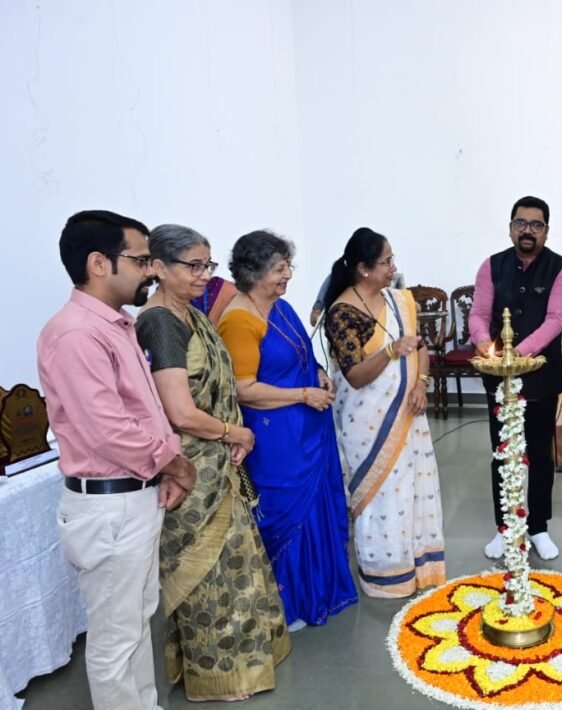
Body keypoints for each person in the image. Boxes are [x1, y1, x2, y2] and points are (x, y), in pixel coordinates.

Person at [37, 210, 196, 710]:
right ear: (98, 263)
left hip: (134, 496)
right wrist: (175, 463)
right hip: (109, 508)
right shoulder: (76, 334)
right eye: (141, 260)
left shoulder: (115, 326)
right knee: (115, 639)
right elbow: (108, 430)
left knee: (136, 623)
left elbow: (142, 411)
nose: (150, 270)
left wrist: (162, 469)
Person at [135, 224, 291, 701]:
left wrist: (231, 435)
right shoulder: (160, 322)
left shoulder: (190, 314)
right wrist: (234, 432)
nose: (204, 275)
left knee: (236, 567)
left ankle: (243, 660)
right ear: (158, 268)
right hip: (192, 471)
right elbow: (180, 412)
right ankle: (216, 675)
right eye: (193, 266)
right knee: (207, 576)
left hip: (220, 461)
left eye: (208, 265)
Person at [217, 230, 357, 631]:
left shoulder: (281, 307)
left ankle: (320, 592)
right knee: (287, 513)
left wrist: (318, 372)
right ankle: (287, 603)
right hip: (277, 436)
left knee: (317, 509)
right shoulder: (239, 320)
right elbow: (243, 389)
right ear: (254, 272)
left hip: (309, 426)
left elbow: (301, 354)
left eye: (287, 266)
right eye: (280, 269)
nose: (288, 275)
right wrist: (302, 394)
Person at [322, 228, 446, 597]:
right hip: (367, 423)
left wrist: (421, 384)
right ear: (363, 268)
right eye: (386, 261)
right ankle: (385, 576)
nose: (393, 267)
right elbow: (356, 376)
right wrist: (391, 351)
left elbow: (419, 347)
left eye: (392, 259)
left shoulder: (399, 300)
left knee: (412, 490)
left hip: (409, 414)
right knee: (382, 496)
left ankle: (419, 567)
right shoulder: (342, 313)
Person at [471, 195, 562, 561]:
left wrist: (517, 355)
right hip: (499, 380)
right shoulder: (491, 265)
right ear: (510, 227)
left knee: (540, 456)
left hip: (541, 379)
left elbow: (555, 320)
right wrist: (484, 345)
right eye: (521, 223)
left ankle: (538, 526)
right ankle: (505, 527)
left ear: (546, 230)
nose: (527, 230)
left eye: (535, 224)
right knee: (503, 454)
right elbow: (479, 313)